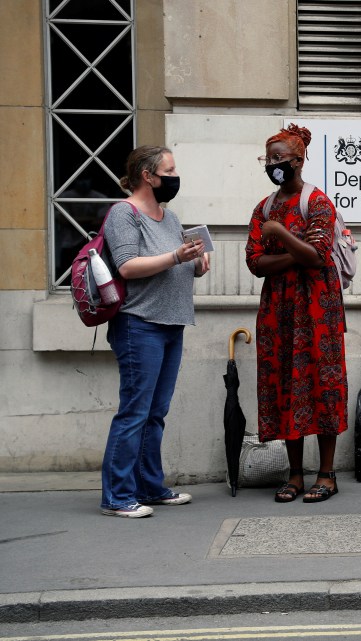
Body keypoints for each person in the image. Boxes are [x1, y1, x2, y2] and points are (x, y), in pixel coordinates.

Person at [100, 146, 210, 518]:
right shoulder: (123, 213)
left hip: (171, 323)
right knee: (135, 411)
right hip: (139, 324)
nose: (175, 177)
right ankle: (117, 495)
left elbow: (174, 264)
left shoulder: (170, 216)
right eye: (170, 170)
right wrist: (178, 256)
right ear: (148, 175)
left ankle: (149, 486)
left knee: (156, 412)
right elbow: (129, 266)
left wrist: (195, 261)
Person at [245, 124, 348, 503]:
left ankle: (326, 474)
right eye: (267, 158)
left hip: (318, 309)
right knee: (285, 384)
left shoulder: (318, 202)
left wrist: (280, 234)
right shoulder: (265, 207)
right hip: (278, 311)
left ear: (298, 160)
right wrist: (297, 253)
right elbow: (255, 262)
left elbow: (319, 255)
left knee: (324, 384)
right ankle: (294, 475)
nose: (272, 164)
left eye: (278, 158)